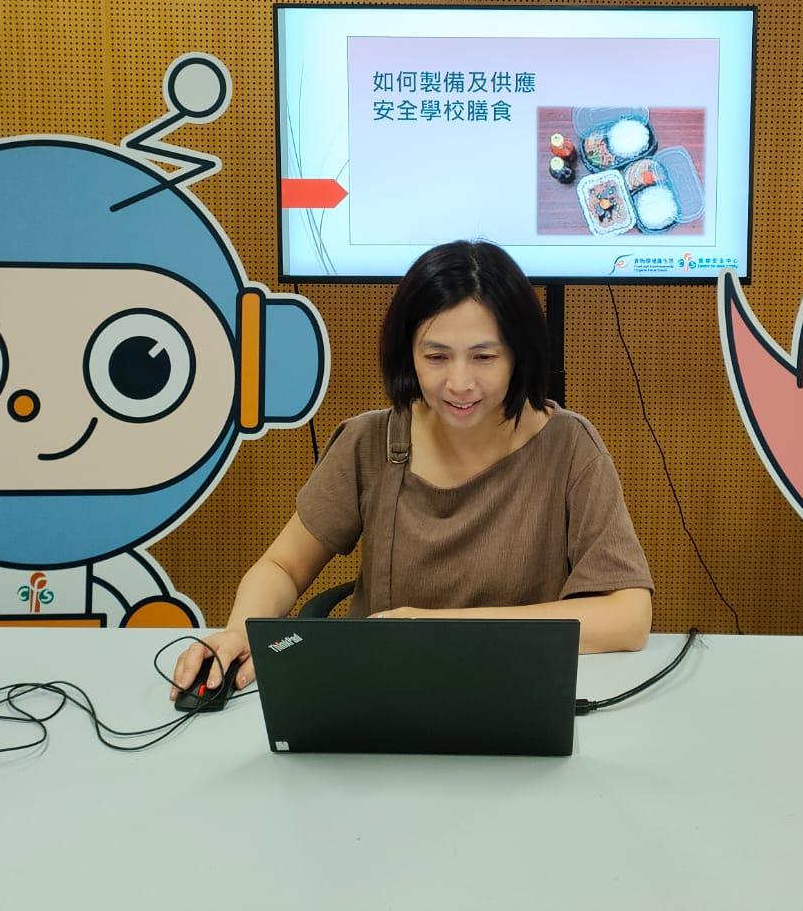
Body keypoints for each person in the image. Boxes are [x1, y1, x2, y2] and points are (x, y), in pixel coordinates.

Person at [171, 240, 654, 696]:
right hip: (381, 692)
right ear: (409, 355)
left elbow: (629, 616)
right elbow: (282, 566)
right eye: (436, 356)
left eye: (484, 357)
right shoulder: (369, 441)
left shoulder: (569, 446)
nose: (459, 383)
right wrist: (241, 631)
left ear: (518, 355)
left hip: (517, 690)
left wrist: (434, 628)